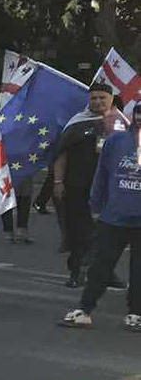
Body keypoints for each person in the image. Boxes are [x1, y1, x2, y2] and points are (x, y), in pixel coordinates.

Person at [60, 103, 141, 330]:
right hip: (113, 217)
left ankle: (136, 314)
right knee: (99, 266)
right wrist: (95, 205)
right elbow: (102, 175)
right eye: (139, 112)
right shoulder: (115, 142)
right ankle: (85, 310)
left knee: (139, 271)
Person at [52, 82, 117, 287]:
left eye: (102, 98)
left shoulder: (121, 124)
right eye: (93, 98)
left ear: (111, 99)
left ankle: (107, 273)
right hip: (77, 185)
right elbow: (61, 154)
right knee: (79, 230)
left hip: (110, 189)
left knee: (108, 232)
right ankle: (76, 272)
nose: (98, 101)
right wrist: (58, 181)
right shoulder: (77, 123)